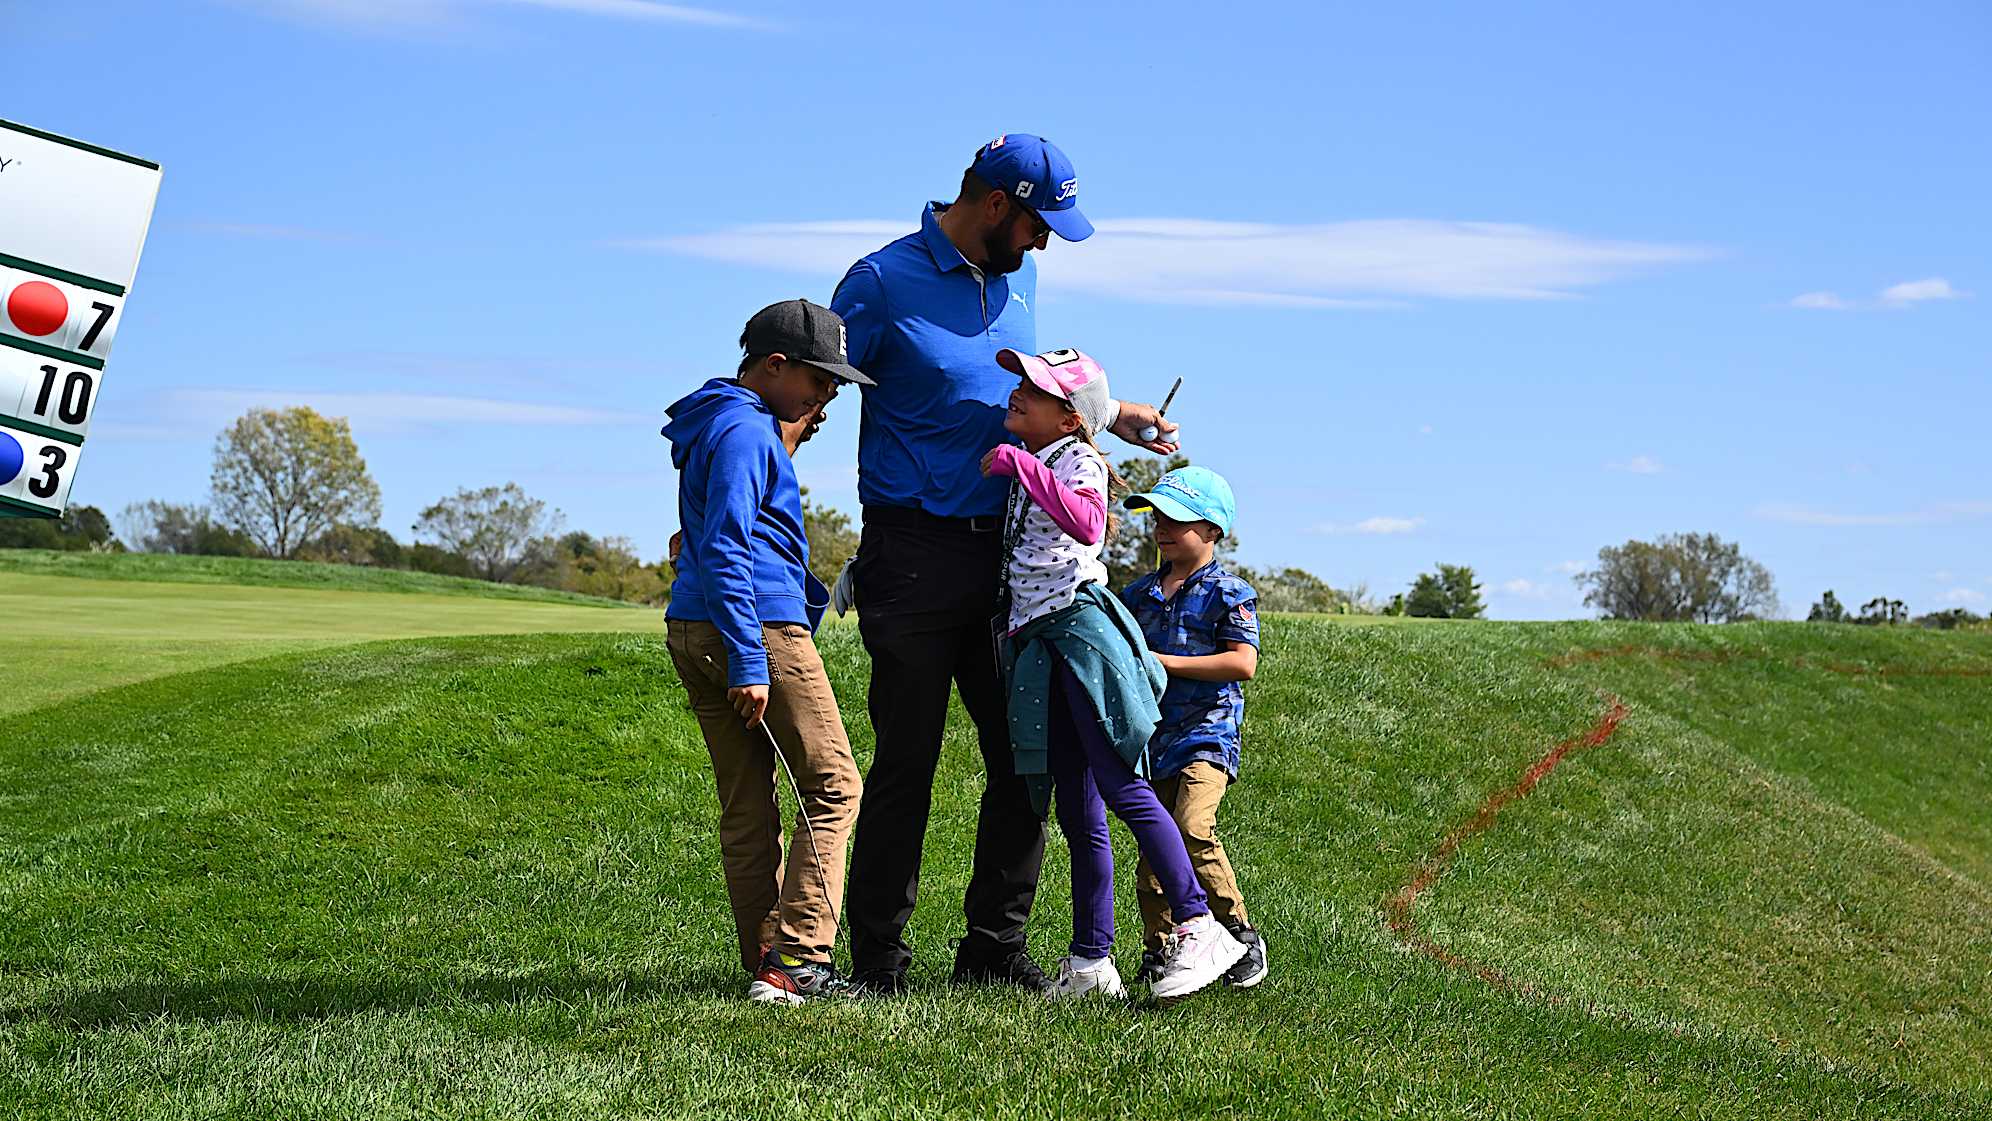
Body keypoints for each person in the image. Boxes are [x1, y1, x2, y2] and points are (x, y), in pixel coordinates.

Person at [830, 134, 1180, 995]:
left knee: (1027, 757)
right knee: (907, 762)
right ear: (996, 205)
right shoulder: (878, 284)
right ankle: (878, 962)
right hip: (911, 555)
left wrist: (1117, 411)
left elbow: (1025, 395)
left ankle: (991, 949)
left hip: (1010, 561)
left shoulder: (1017, 271)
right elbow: (812, 384)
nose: (1046, 243)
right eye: (1040, 224)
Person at [985, 347, 1247, 1001]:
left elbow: (1088, 523)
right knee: (1077, 806)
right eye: (1020, 382)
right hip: (1042, 635)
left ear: (1072, 417)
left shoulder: (1078, 461)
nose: (1019, 393)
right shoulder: (1048, 450)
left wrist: (1020, 465)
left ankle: (1197, 923)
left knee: (1122, 786)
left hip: (1079, 629)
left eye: (1037, 390)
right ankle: (1089, 962)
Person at [661, 298, 873, 1004]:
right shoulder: (750, 433)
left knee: (748, 802)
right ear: (776, 366)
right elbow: (726, 544)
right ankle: (797, 959)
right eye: (820, 380)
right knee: (835, 785)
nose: (828, 396)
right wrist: (752, 660)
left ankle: (766, 957)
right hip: (753, 629)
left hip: (694, 625)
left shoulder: (716, 422)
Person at [1119, 466, 1269, 989]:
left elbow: (1241, 663)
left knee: (1190, 828)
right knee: (1153, 847)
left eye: (1177, 520)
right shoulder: (1136, 595)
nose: (1161, 528)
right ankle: (1162, 950)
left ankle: (1239, 936)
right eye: (1156, 517)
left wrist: (1163, 662)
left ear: (1212, 531)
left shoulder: (1229, 593)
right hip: (1153, 739)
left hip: (1207, 736)